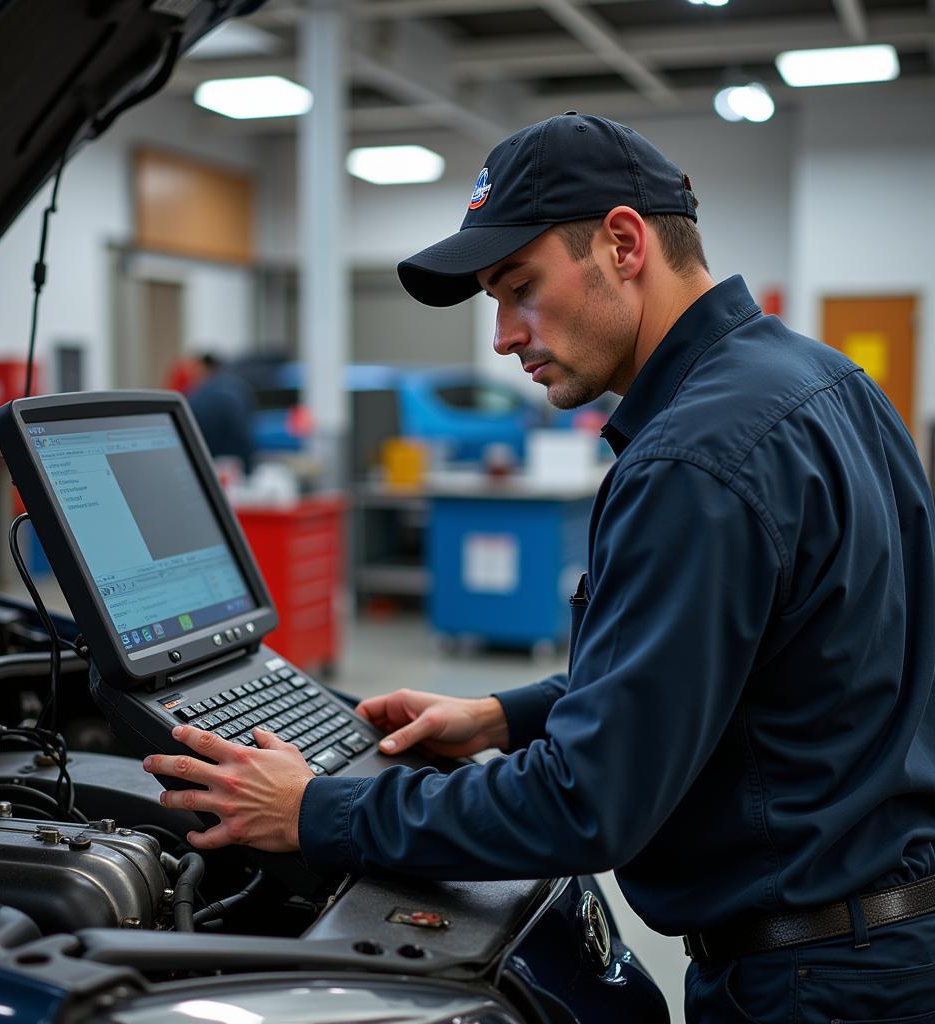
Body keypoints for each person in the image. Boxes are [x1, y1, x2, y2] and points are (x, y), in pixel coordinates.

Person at [144, 113, 935, 1021]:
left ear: (623, 243)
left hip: (812, 985)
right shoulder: (830, 385)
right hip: (888, 943)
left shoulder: (694, 459)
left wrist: (316, 811)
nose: (502, 336)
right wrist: (504, 716)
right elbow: (770, 672)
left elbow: (588, 804)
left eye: (519, 288)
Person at [185, 353, 256, 474]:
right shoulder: (239, 387)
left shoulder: (200, 395)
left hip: (213, 462)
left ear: (203, 367)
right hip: (241, 461)